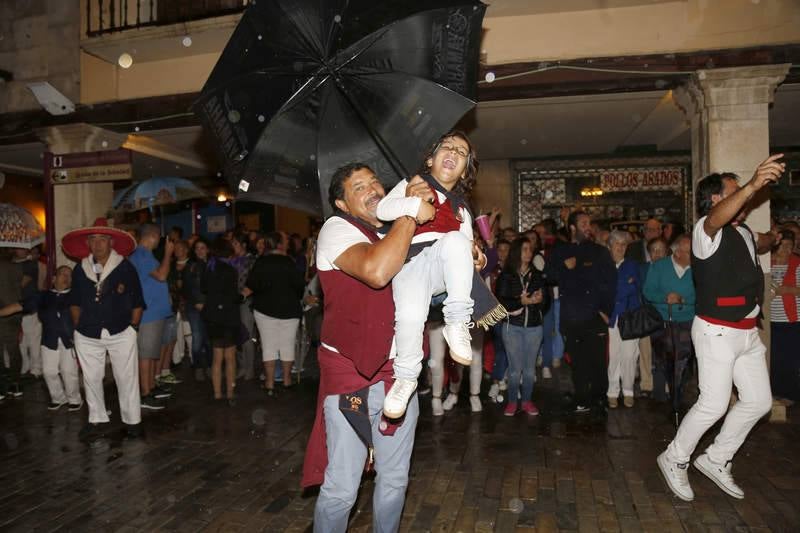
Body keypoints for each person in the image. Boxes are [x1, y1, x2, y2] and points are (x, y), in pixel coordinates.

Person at [303, 162, 436, 532]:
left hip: (398, 377)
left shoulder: (391, 234)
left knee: (394, 480)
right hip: (353, 377)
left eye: (375, 181)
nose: (373, 189)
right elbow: (377, 273)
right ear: (342, 204)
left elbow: (427, 289)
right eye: (359, 187)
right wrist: (410, 211)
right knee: (343, 487)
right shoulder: (336, 229)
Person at [657, 155, 784, 503]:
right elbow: (716, 219)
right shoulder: (704, 231)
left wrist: (773, 237)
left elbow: (758, 242)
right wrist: (753, 185)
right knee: (713, 404)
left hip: (746, 332)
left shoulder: (742, 231)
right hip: (716, 331)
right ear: (716, 199)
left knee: (758, 402)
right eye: (735, 191)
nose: (743, 195)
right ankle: (674, 456)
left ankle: (715, 458)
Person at [375, 130, 493, 419]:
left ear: (466, 169)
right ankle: (405, 378)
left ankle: (456, 321)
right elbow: (383, 208)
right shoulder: (412, 184)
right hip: (411, 262)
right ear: (430, 159)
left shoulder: (462, 208)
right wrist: (415, 204)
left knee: (455, 241)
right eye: (447, 148)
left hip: (442, 266)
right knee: (410, 318)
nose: (453, 153)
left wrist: (477, 255)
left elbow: (466, 246)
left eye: (461, 152)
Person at [64, 217, 144, 440]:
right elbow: (74, 301)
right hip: (87, 333)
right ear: (88, 244)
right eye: (93, 239)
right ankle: (96, 419)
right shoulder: (80, 269)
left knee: (126, 376)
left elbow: (138, 301)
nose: (97, 244)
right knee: (91, 377)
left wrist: (133, 328)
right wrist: (78, 325)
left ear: (111, 242)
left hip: (121, 331)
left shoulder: (125, 267)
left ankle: (133, 421)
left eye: (102, 239)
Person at [546, 211, 616, 414]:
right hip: (571, 317)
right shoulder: (561, 251)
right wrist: (563, 267)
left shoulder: (599, 252)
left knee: (598, 361)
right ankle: (582, 399)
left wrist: (606, 310)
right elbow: (549, 276)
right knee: (578, 362)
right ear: (573, 228)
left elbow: (610, 282)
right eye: (583, 223)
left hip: (595, 316)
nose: (588, 227)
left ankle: (599, 399)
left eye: (589, 223)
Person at [246, 230, 305, 396]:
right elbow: (300, 286)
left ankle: (270, 383)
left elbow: (252, 284)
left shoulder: (261, 262)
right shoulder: (290, 262)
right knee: (287, 346)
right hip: (289, 310)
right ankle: (286, 381)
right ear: (279, 243)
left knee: (269, 346)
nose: (288, 242)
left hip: (265, 310)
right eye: (286, 240)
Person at [496, 237, 548, 416]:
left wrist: (540, 300)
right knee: (514, 369)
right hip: (513, 327)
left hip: (534, 327)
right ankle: (511, 402)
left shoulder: (538, 275)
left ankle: (526, 401)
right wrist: (521, 301)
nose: (529, 252)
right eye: (525, 249)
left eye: (530, 249)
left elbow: (546, 302)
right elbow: (501, 303)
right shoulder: (506, 275)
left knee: (529, 369)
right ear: (517, 251)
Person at [643, 234, 695, 404]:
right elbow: (648, 291)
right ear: (678, 252)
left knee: (683, 360)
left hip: (687, 320)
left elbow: (703, 294)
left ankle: (678, 396)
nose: (693, 256)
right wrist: (666, 298)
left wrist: (683, 300)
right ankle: (660, 396)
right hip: (662, 319)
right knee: (662, 359)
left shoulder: (697, 268)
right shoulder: (659, 267)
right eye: (689, 252)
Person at [128, 224, 174, 411]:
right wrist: (168, 253)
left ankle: (151, 387)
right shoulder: (142, 255)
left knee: (152, 353)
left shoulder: (145, 255)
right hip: (149, 312)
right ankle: (145, 394)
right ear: (153, 236)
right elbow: (162, 275)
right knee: (146, 355)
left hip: (156, 311)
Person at [201, 237, 242, 405]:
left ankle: (217, 394)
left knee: (217, 358)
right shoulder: (230, 270)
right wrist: (241, 296)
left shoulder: (208, 267)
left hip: (213, 317)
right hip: (228, 316)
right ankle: (230, 393)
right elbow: (232, 295)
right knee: (230, 357)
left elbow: (204, 289)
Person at [38, 266, 82, 410]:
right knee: (48, 371)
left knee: (68, 371)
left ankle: (74, 399)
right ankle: (58, 397)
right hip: (49, 339)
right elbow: (21, 305)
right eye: (63, 274)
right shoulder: (43, 296)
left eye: (69, 275)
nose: (66, 277)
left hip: (69, 340)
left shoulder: (76, 296)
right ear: (54, 278)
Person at [605, 230, 641, 408]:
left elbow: (635, 288)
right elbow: (606, 291)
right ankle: (612, 391)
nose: (620, 248)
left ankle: (628, 391)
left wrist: (621, 288)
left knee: (629, 356)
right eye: (617, 244)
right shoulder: (604, 265)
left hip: (630, 317)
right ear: (609, 246)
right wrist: (624, 285)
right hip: (611, 317)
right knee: (613, 356)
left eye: (624, 245)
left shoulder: (633, 265)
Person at [769, 230, 800, 403]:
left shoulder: (797, 263)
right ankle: (775, 393)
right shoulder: (768, 263)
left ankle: (791, 395)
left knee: (790, 359)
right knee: (774, 359)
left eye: (791, 245)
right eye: (785, 245)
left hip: (792, 320)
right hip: (771, 319)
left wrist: (782, 290)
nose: (789, 249)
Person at [230, 233, 257, 381]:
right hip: (232, 302)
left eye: (235, 243)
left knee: (247, 336)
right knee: (236, 337)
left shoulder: (251, 260)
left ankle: (250, 368)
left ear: (244, 245)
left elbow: (254, 281)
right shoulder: (231, 260)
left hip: (246, 301)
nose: (232, 247)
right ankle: (242, 366)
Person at [185, 238, 211, 381]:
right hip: (194, 307)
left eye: (203, 247)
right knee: (197, 337)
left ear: (207, 249)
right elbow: (187, 287)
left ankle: (210, 366)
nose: (200, 250)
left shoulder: (213, 265)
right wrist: (196, 302)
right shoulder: (191, 266)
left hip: (210, 307)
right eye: (197, 248)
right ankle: (198, 367)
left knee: (208, 339)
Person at [0, 250, 25, 399]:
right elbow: (18, 291)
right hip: (13, 312)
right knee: (13, 350)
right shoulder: (16, 268)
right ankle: (15, 382)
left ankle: (2, 387)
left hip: (5, 312)